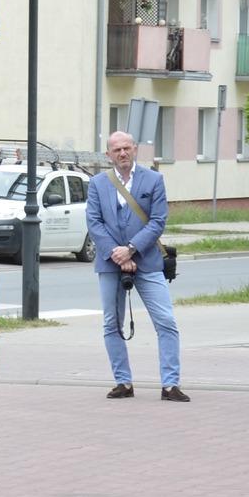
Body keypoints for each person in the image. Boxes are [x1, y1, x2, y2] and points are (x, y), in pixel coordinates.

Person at [87, 130, 188, 401]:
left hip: (147, 261)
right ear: (108, 154)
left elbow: (158, 221)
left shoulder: (153, 179)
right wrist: (117, 253)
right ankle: (123, 382)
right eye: (116, 149)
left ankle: (170, 385)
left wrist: (131, 249)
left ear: (134, 149)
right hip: (110, 263)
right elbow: (94, 222)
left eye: (127, 148)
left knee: (166, 321)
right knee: (112, 323)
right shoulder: (97, 183)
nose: (122, 153)